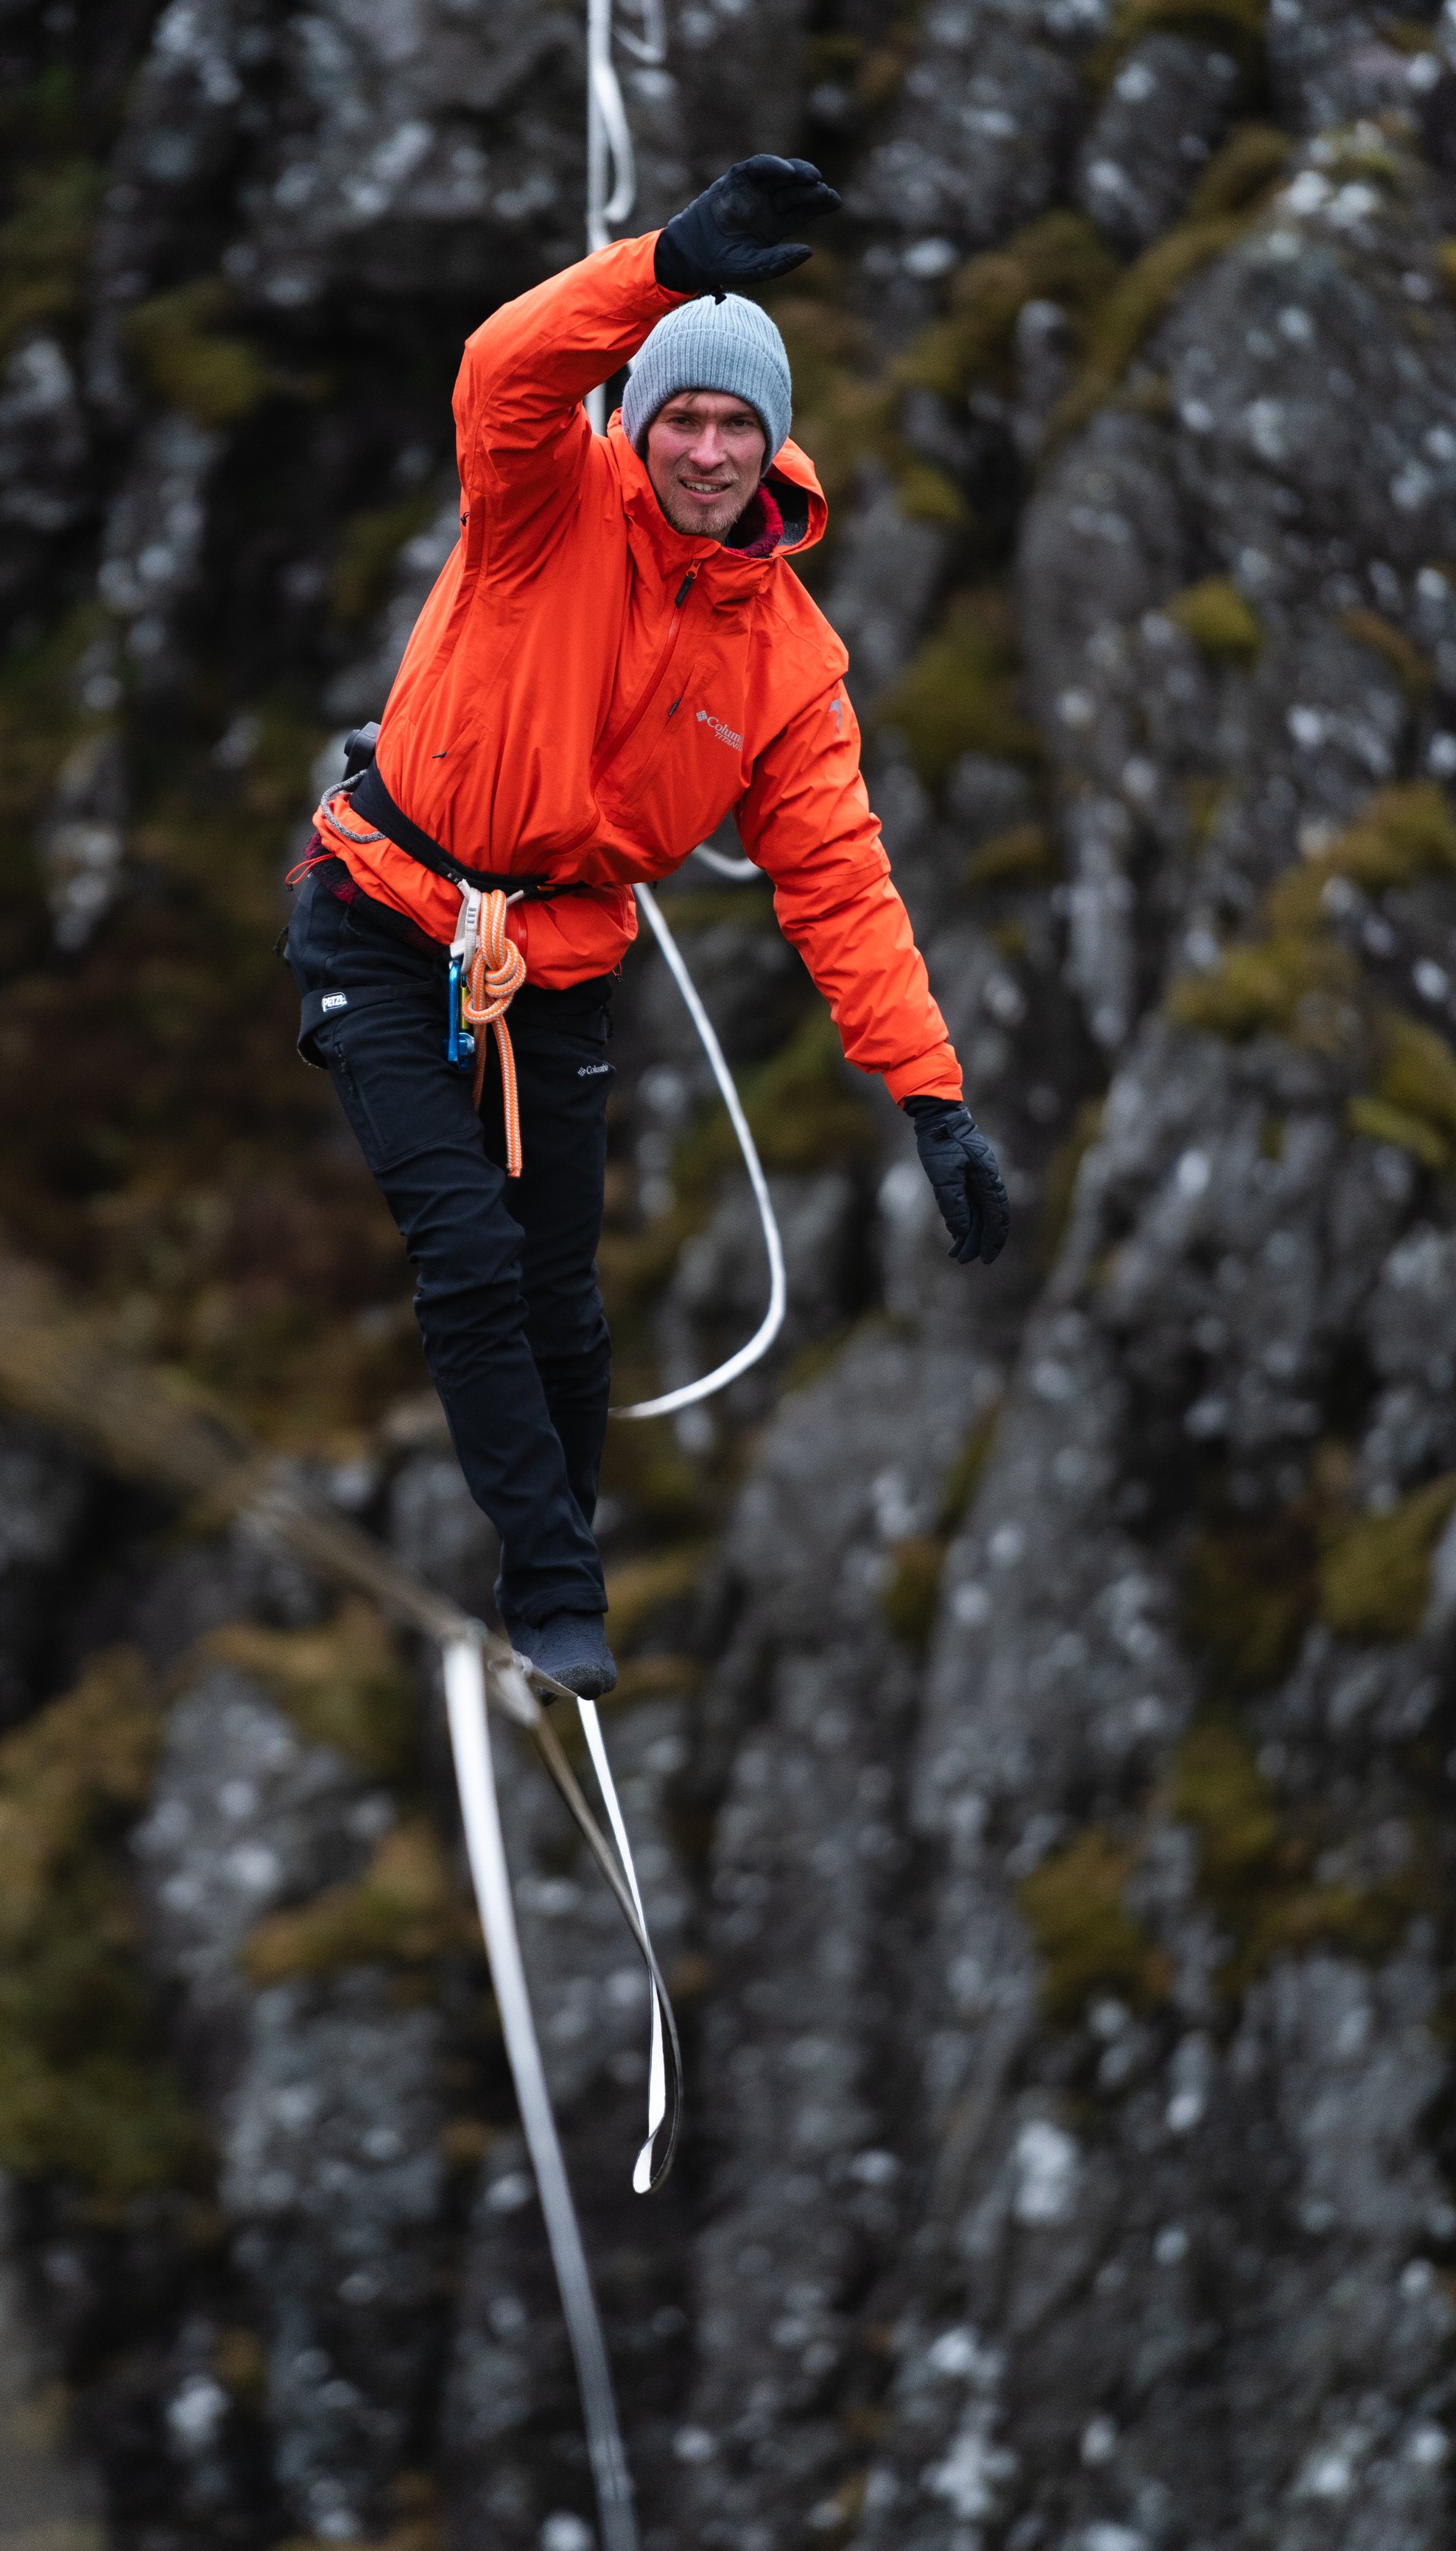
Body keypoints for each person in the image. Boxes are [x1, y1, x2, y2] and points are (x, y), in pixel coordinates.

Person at [286, 156, 1008, 1699]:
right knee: (467, 1257)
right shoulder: (542, 500)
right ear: (638, 416)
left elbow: (836, 881)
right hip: (382, 920)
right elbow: (500, 368)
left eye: (729, 423)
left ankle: (560, 1559)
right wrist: (666, 266)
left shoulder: (788, 664)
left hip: (552, 965)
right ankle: (552, 1589)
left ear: (770, 446)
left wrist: (929, 1096)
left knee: (563, 1305)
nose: (699, 446)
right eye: (677, 413)